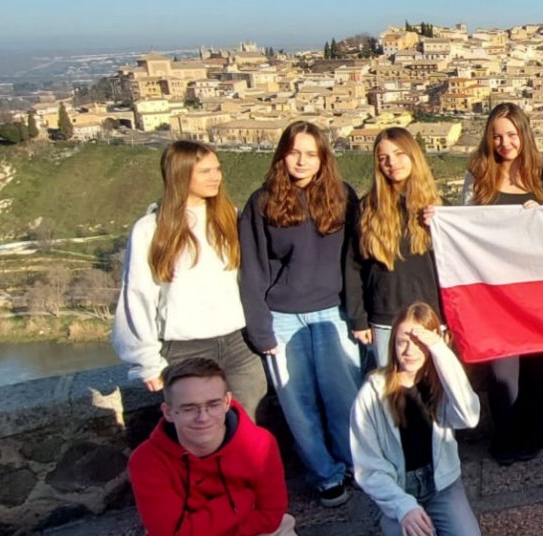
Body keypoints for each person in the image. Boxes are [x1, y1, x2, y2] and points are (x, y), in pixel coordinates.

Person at [239, 121, 366, 507]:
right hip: (282, 316)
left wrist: (358, 315)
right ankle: (325, 474)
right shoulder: (261, 203)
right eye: (295, 152)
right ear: (282, 154)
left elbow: (356, 260)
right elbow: (252, 270)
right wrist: (261, 330)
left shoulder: (343, 197)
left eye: (311, 154)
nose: (302, 161)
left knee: (345, 398)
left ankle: (352, 463)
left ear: (322, 158)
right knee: (299, 405)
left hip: (333, 313)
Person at [129, 358, 327, 536]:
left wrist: (192, 526)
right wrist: (240, 501)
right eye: (189, 408)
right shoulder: (146, 460)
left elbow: (270, 516)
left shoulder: (260, 443)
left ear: (227, 402)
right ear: (167, 412)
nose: (203, 417)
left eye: (213, 404)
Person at [112, 140, 267, 421]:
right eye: (205, 171)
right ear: (181, 175)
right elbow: (137, 295)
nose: (216, 177)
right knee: (199, 431)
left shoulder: (229, 218)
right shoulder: (151, 229)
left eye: (217, 169)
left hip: (239, 343)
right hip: (185, 349)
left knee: (250, 426)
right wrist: (147, 361)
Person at [350, 302, 487, 536]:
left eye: (419, 342)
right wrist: (403, 507)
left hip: (441, 484)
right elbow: (368, 468)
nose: (410, 351)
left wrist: (440, 352)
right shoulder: (372, 393)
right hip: (399, 486)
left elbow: (469, 416)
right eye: (402, 341)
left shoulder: (440, 384)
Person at [463, 103, 543, 466]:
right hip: (495, 291)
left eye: (511, 134)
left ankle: (538, 435)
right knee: (503, 372)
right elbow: (464, 225)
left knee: (541, 369)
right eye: (497, 136)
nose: (505, 142)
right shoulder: (478, 176)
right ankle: (506, 437)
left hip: (538, 290)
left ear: (524, 135)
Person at [359, 127, 443, 365]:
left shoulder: (439, 209)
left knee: (432, 389)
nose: (392, 163)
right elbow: (354, 266)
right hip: (384, 317)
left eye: (399, 154)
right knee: (391, 390)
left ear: (413, 156)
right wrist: (359, 319)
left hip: (429, 316)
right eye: (383, 158)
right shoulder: (367, 209)